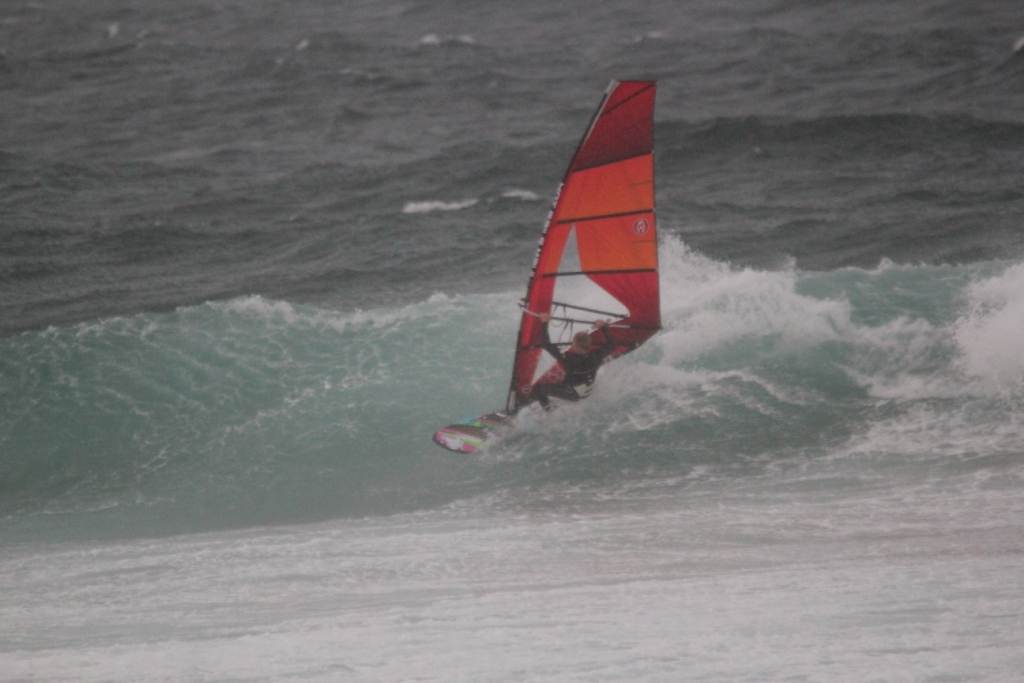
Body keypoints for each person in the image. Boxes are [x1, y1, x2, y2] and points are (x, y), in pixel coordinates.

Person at [515, 312, 616, 412]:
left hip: (573, 394)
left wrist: (544, 322)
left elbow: (545, 344)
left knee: (539, 388)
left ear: (574, 344)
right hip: (587, 391)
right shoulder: (596, 355)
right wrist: (604, 327)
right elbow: (611, 344)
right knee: (559, 378)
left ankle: (549, 410)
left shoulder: (568, 359)